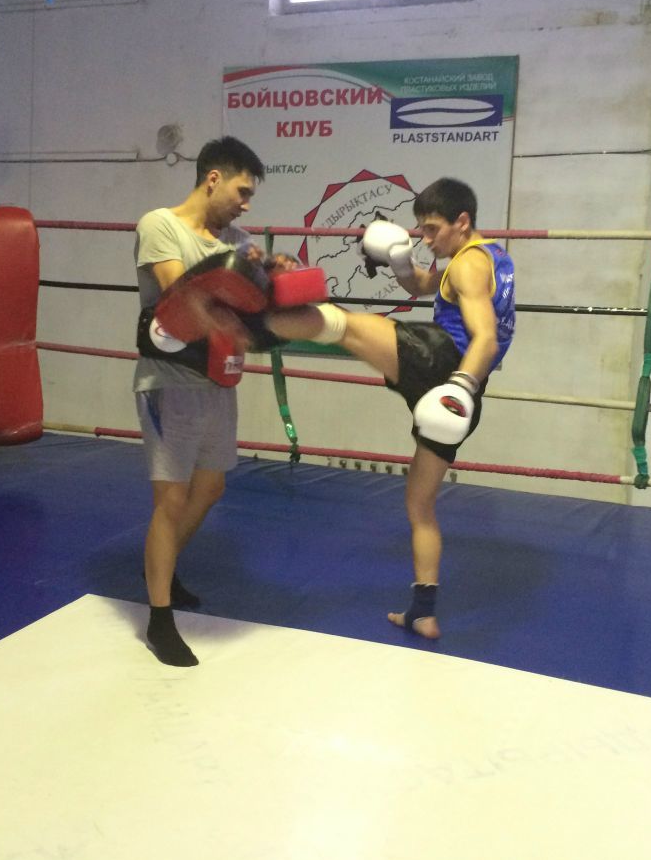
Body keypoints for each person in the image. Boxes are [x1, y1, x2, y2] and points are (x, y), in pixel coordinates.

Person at [264, 177, 516, 638]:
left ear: (462, 221)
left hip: (442, 366)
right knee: (419, 505)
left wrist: (458, 385)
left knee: (342, 326)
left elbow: (486, 338)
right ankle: (423, 612)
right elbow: (423, 284)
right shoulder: (487, 258)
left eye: (433, 229)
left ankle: (249, 324)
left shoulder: (466, 266)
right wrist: (401, 262)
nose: (426, 239)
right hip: (462, 400)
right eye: (421, 230)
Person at [133, 136, 267, 667]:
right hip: (170, 381)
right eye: (242, 191)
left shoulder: (238, 240)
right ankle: (159, 618)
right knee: (171, 499)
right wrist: (242, 284)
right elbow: (180, 295)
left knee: (210, 488)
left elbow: (258, 305)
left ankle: (161, 568)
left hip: (219, 380)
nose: (246, 205)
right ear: (213, 179)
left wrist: (270, 275)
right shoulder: (160, 225)